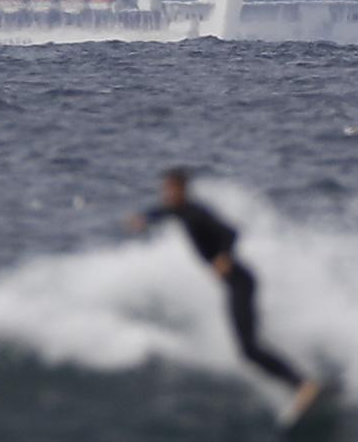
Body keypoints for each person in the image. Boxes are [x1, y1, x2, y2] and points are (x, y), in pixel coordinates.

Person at [126, 167, 321, 419]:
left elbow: (231, 232)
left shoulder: (196, 212)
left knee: (249, 349)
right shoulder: (179, 210)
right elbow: (161, 212)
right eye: (164, 189)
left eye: (170, 189)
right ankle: (301, 385)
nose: (165, 193)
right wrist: (144, 218)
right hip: (235, 284)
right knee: (249, 348)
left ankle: (303, 386)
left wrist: (223, 257)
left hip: (240, 282)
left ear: (181, 189)